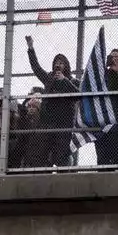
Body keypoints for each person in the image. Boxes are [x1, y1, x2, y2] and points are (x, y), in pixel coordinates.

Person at [25, 35, 80, 168]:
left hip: (64, 124)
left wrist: (64, 81)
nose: (58, 65)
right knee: (42, 153)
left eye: (61, 63)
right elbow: (36, 69)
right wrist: (30, 48)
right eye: (56, 62)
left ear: (66, 66)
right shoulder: (49, 78)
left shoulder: (72, 81)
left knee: (61, 155)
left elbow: (78, 95)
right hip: (47, 122)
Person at [95, 47, 118, 166]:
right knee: (102, 157)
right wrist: (112, 71)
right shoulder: (104, 75)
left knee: (117, 156)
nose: (115, 59)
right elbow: (109, 86)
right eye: (112, 57)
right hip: (103, 120)